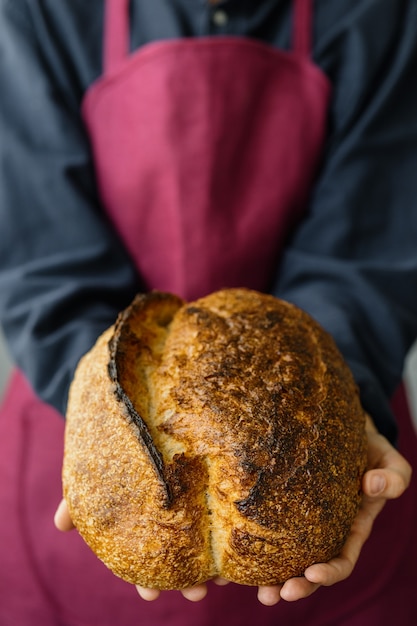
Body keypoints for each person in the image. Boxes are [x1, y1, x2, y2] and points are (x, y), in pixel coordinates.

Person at [0, 0, 415, 624]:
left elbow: (366, 251)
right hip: (83, 449)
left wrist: (345, 391)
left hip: (325, 440)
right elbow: (44, 261)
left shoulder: (375, 13)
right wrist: (113, 443)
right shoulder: (41, 12)